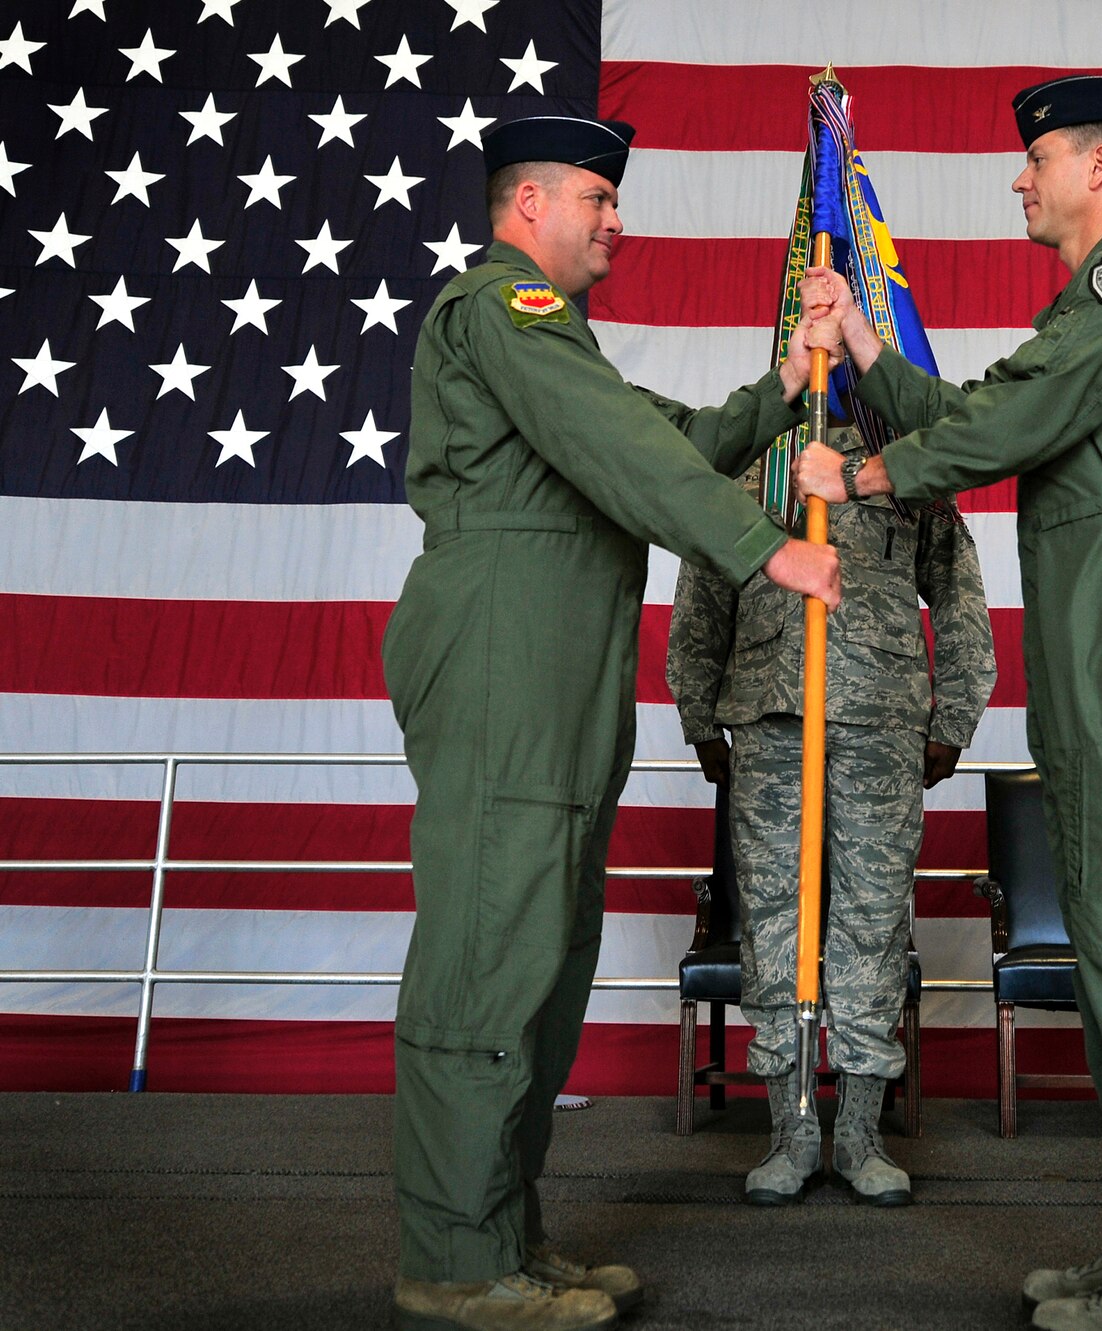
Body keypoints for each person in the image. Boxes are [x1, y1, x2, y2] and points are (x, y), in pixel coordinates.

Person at [795, 76, 1102, 1331]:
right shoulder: (1083, 304)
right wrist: (872, 351)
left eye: (1037, 159)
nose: (1020, 176)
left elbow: (1016, 418)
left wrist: (871, 466)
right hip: (1087, 619)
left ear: (1100, 168)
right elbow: (981, 410)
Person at [382, 114, 842, 1331]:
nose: (615, 218)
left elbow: (661, 440)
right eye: (596, 196)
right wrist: (765, 550)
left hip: (553, 665)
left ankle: (504, 1233)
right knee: (490, 952)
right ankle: (453, 1257)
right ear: (525, 204)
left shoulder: (557, 340)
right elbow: (615, 446)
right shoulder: (501, 311)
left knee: (541, 954)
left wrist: (785, 386)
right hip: (500, 656)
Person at [667, 421, 996, 1207]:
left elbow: (956, 585)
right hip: (771, 711)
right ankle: (790, 1128)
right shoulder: (755, 458)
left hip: (880, 719)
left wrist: (956, 714)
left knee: (871, 919)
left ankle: (860, 1132)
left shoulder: (904, 457)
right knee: (776, 919)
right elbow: (705, 580)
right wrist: (697, 710)